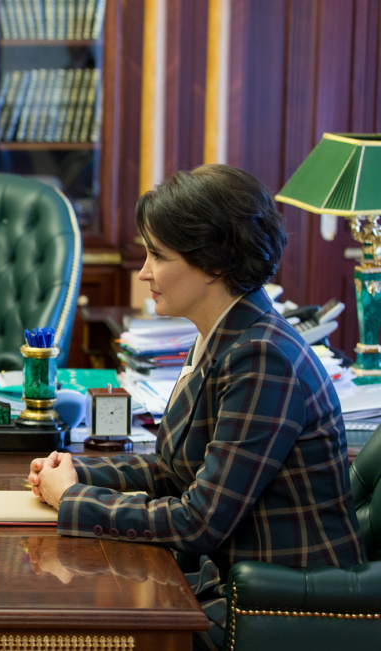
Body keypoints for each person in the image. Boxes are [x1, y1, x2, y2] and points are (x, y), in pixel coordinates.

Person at [28, 164, 366, 650]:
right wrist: (80, 471)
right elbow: (174, 471)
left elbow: (198, 521)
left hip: (280, 609)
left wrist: (72, 500)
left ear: (214, 264)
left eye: (158, 255)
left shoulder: (262, 358)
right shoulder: (222, 336)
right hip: (231, 586)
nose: (144, 271)